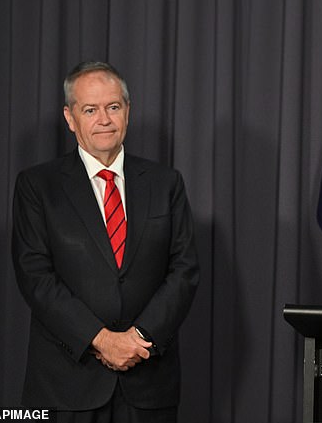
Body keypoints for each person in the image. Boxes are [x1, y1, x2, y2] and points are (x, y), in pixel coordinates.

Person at [12, 61, 199, 422]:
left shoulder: (165, 183)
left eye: (113, 107)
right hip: (67, 385)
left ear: (127, 111)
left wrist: (138, 338)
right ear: (70, 117)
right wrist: (102, 339)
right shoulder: (38, 186)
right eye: (90, 109)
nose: (104, 119)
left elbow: (184, 270)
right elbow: (35, 276)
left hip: (148, 383)